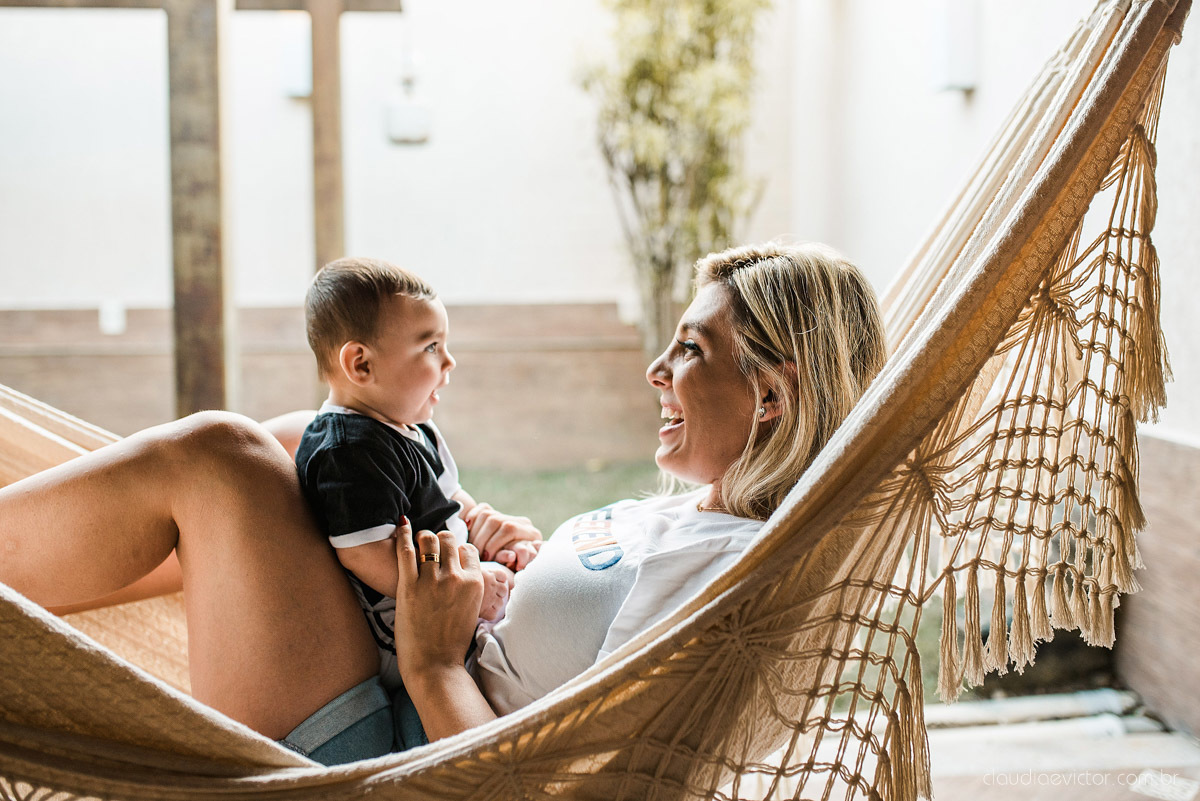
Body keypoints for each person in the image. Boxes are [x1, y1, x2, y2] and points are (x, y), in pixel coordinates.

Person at [0, 242, 887, 766]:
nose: (657, 370)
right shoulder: (686, 518)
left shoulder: (734, 579)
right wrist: (505, 544)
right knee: (312, 441)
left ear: (771, 396)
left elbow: (550, 783)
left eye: (691, 350)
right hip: (396, 692)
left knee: (221, 457)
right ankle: (21, 620)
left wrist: (432, 665)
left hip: (393, 757)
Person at [294, 258, 537, 743]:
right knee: (459, 698)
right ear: (360, 364)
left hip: (446, 589)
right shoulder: (347, 449)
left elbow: (451, 499)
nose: (449, 363)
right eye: (431, 347)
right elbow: (366, 553)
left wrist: (482, 531)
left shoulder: (412, 427)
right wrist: (467, 590)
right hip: (400, 636)